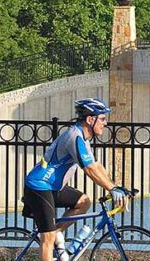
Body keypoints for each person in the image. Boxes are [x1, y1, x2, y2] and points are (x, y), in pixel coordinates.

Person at [22, 98, 130, 261]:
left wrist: (116, 187)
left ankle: (58, 232)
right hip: (39, 186)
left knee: (84, 202)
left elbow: (96, 165)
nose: (105, 123)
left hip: (52, 187)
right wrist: (111, 189)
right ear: (90, 119)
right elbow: (89, 169)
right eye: (102, 119)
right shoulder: (75, 136)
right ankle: (54, 235)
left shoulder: (82, 136)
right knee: (48, 237)